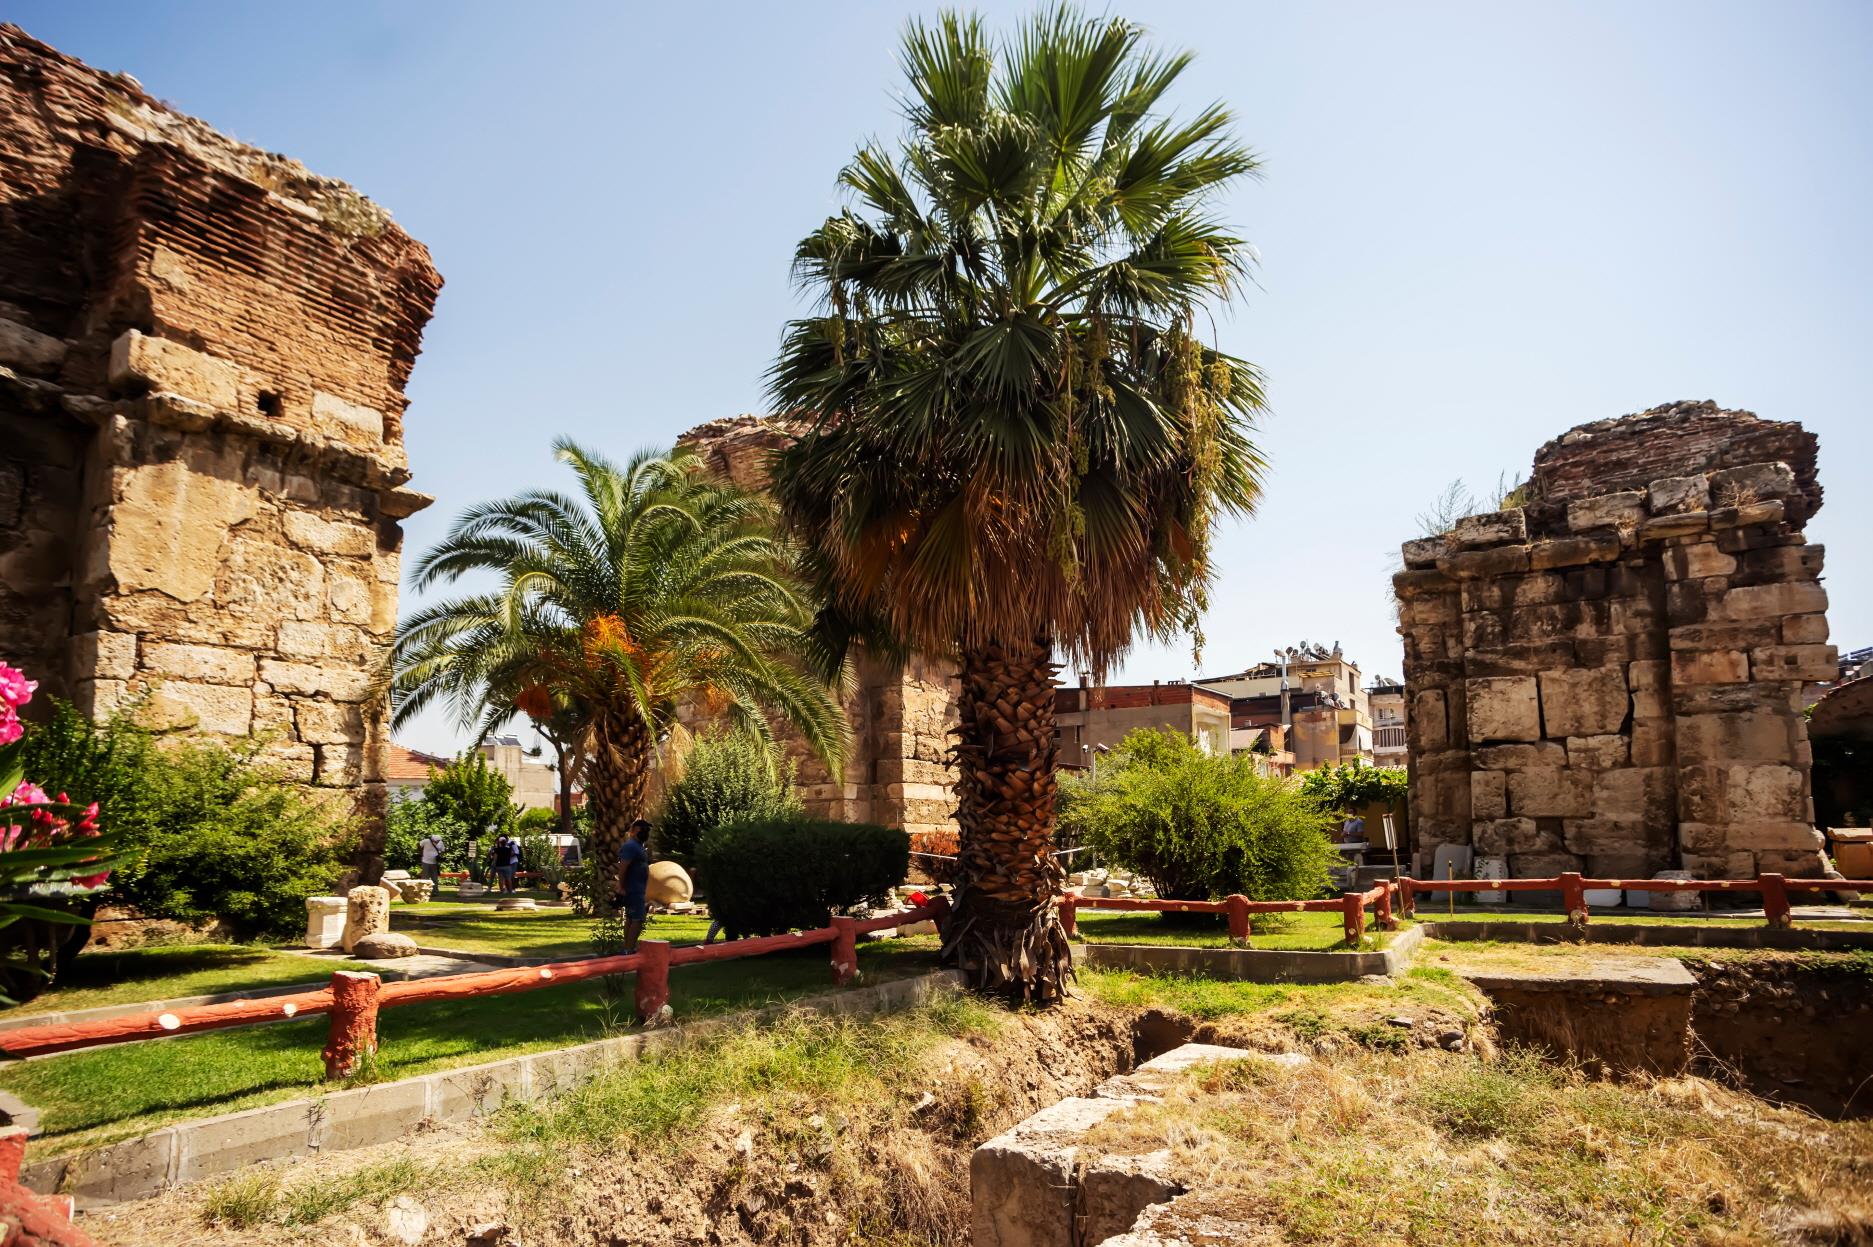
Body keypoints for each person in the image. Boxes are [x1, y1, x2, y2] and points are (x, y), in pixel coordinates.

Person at [616, 818, 652, 952]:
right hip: (633, 889)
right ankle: (629, 949)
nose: (646, 833)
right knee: (638, 919)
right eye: (643, 830)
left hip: (638, 889)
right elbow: (623, 867)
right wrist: (621, 886)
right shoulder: (630, 846)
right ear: (634, 831)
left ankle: (627, 948)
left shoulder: (639, 846)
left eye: (647, 830)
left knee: (631, 918)